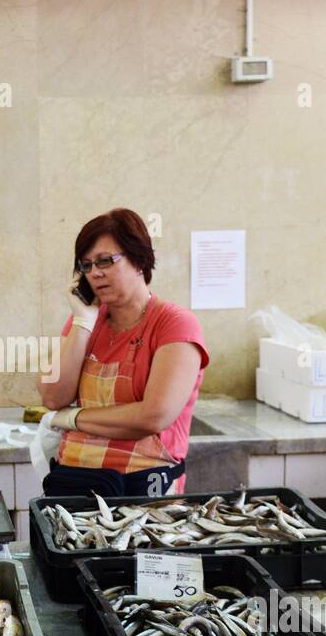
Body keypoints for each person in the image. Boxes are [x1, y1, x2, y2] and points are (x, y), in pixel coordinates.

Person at [37, 208, 209, 497]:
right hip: (75, 487)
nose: (95, 273)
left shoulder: (175, 324)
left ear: (139, 259)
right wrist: (82, 321)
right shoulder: (85, 321)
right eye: (86, 265)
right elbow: (53, 396)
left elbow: (152, 416)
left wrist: (71, 418)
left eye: (105, 261)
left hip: (146, 492)